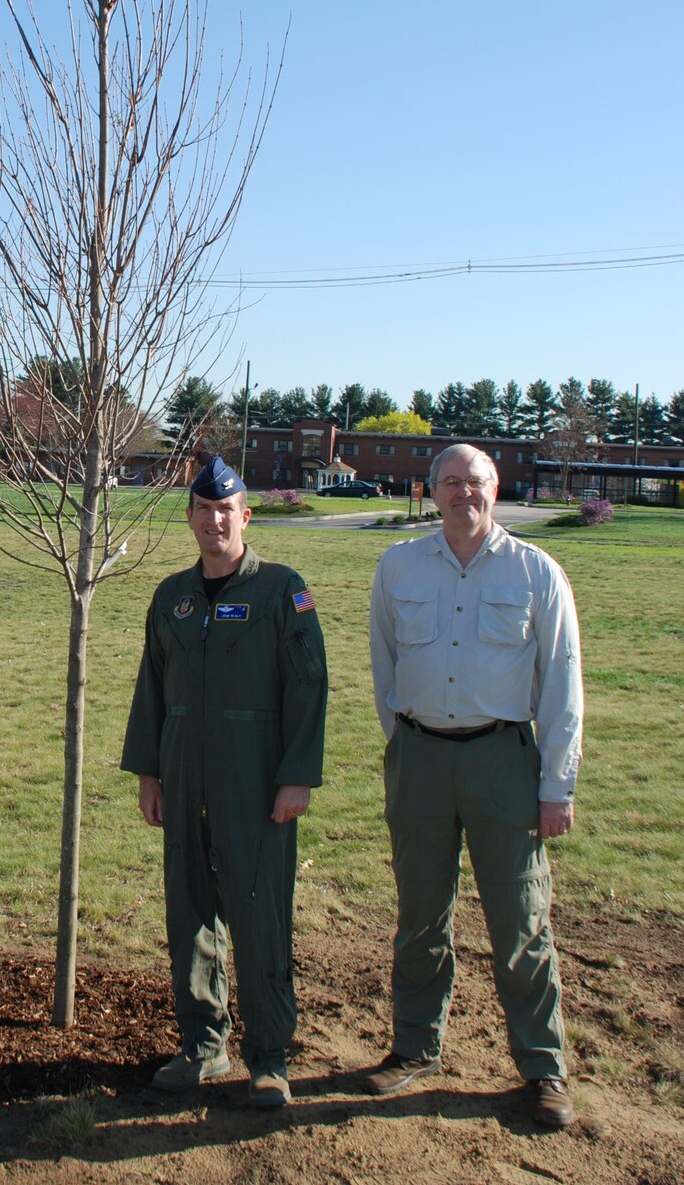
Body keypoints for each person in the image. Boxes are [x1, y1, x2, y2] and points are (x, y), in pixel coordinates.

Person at [366, 443, 583, 1128]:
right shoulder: (397, 566)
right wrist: (403, 743)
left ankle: (542, 1068)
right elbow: (384, 663)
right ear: (431, 493)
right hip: (420, 760)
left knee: (520, 921)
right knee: (419, 917)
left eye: (476, 482)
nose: (464, 493)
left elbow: (562, 687)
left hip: (502, 764)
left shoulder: (535, 573)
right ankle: (412, 1049)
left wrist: (556, 786)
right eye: (451, 482)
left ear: (496, 489)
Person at [121, 456, 328, 1109]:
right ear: (189, 518)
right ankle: (202, 1047)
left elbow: (308, 687)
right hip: (184, 781)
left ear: (245, 516)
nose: (213, 521)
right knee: (189, 915)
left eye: (225, 511)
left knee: (258, 917)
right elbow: (151, 689)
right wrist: (150, 772)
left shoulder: (281, 591)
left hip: (256, 785)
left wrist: (296, 777)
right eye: (201, 511)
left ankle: (268, 1057)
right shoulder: (170, 598)